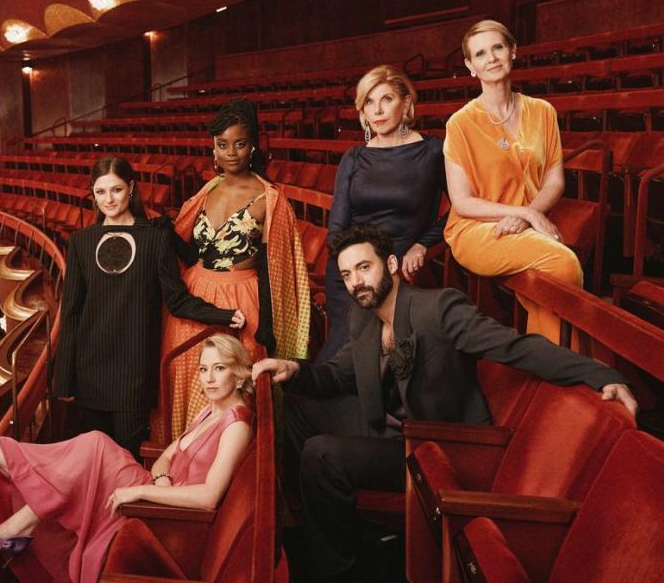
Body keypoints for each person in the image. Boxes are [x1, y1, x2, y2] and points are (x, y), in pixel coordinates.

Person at [253, 222, 636, 580]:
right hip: (388, 428)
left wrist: (602, 373)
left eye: (364, 268)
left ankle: (335, 569)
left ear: (390, 264)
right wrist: (294, 369)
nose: (357, 283)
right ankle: (328, 523)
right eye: (348, 275)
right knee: (299, 411)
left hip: (434, 444)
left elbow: (515, 347)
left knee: (322, 453)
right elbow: (337, 375)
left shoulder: (438, 308)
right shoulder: (364, 316)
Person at [0, 334, 256, 583]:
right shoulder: (211, 411)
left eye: (219, 368)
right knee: (86, 455)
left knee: (90, 452)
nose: (209, 378)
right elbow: (166, 457)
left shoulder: (237, 426)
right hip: (158, 494)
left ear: (238, 373)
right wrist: (160, 478)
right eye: (203, 369)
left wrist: (141, 491)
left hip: (169, 521)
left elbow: (209, 497)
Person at [54, 157, 245, 457]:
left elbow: (177, 299)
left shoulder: (155, 238)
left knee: (126, 460)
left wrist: (223, 315)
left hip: (134, 371)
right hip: (89, 371)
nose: (109, 199)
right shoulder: (80, 242)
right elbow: (71, 312)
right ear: (92, 194)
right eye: (101, 192)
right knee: (93, 461)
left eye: (116, 190)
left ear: (131, 188)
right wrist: (64, 380)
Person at [157, 99, 311, 441]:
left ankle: (238, 479)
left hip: (243, 302)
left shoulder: (270, 199)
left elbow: (277, 270)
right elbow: (193, 252)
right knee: (191, 383)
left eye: (239, 144)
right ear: (213, 147)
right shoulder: (206, 191)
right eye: (222, 145)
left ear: (252, 144)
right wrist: (166, 231)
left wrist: (267, 327)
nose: (231, 153)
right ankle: (188, 467)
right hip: (193, 302)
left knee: (237, 394)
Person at [443, 18, 580, 341]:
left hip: (522, 226)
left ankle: (555, 369)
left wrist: (527, 214)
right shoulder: (460, 124)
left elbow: (554, 181)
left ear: (513, 51)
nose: (490, 58)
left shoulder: (542, 111)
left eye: (497, 48)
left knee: (544, 287)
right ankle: (568, 365)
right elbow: (462, 202)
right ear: (470, 66)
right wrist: (526, 214)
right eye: (480, 54)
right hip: (475, 229)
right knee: (564, 263)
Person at [320, 64, 447, 362]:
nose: (377, 110)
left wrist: (423, 243)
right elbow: (336, 229)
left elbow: (461, 210)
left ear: (406, 104)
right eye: (369, 102)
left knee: (359, 353)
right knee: (347, 349)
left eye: (387, 99)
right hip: (350, 271)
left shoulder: (432, 152)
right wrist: (353, 268)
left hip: (396, 268)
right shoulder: (354, 157)